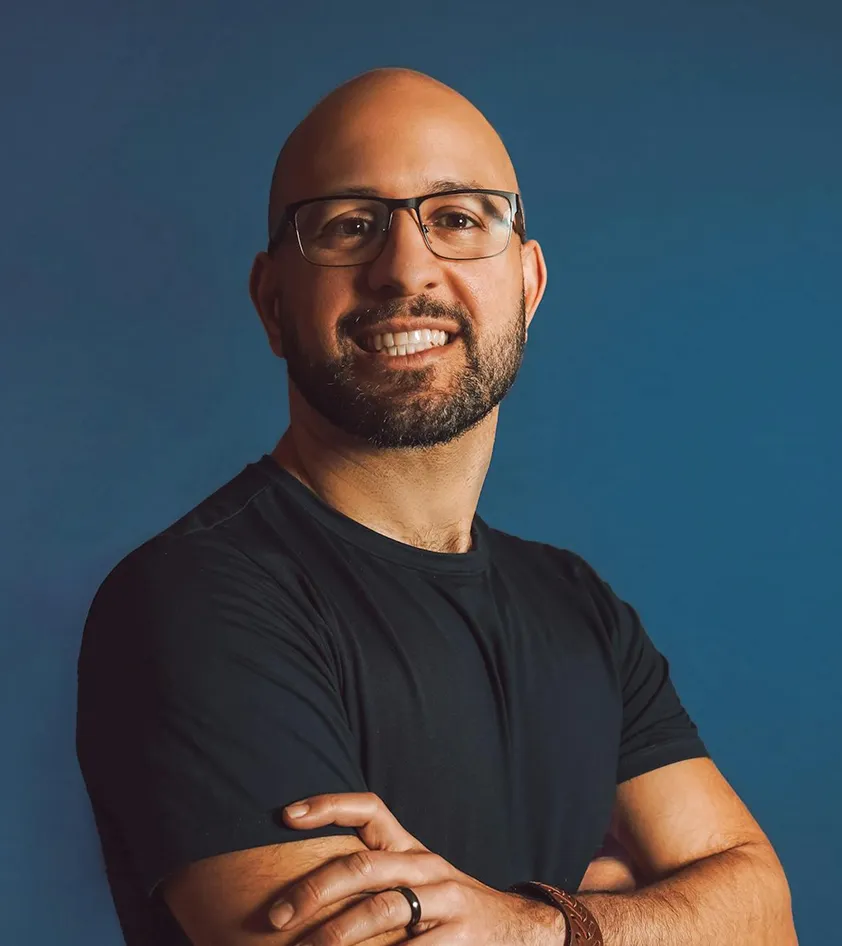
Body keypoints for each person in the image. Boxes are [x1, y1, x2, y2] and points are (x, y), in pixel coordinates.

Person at [76, 67, 797, 946]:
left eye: (457, 218)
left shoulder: (580, 608)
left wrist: (535, 927)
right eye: (349, 227)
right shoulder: (196, 599)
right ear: (273, 304)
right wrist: (639, 910)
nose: (405, 267)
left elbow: (764, 912)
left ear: (528, 287)